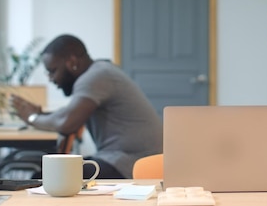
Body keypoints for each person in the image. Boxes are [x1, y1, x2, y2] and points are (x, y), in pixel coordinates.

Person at [12, 34, 163, 179]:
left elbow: (67, 123)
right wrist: (42, 116)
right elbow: (68, 113)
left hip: (131, 164)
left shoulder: (96, 77)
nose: (51, 79)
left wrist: (32, 118)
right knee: (52, 172)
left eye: (53, 71)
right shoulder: (100, 71)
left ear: (72, 62)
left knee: (46, 176)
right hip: (127, 159)